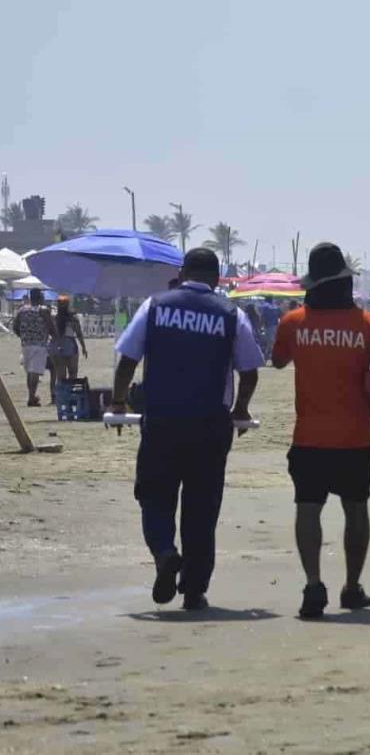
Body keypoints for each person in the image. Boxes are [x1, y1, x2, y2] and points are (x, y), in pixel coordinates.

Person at [109, 249, 263, 611]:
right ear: (217, 277)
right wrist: (240, 408)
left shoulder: (156, 306)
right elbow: (250, 371)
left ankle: (164, 552)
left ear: (182, 273)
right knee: (201, 509)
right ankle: (193, 589)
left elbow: (128, 359)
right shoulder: (231, 314)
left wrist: (117, 402)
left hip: (162, 422)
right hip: (211, 425)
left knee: (155, 496)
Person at [272, 243, 370, 618]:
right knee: (356, 511)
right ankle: (351, 588)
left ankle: (313, 584)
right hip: (356, 437)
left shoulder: (294, 322)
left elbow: (278, 361)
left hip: (309, 437)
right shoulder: (369, 324)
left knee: (307, 509)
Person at [12, 288, 54, 406]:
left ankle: (32, 395)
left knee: (30, 371)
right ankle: (31, 398)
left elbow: (15, 327)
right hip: (39, 344)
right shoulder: (43, 310)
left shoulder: (22, 310)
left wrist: (23, 335)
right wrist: (55, 338)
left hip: (26, 344)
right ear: (40, 297)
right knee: (35, 371)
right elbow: (51, 327)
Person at [49, 295, 88, 381]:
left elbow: (49, 332)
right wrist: (83, 347)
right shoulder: (73, 319)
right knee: (73, 374)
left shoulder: (54, 318)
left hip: (56, 346)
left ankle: (61, 393)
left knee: (60, 376)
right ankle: (70, 393)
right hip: (70, 345)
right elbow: (79, 334)